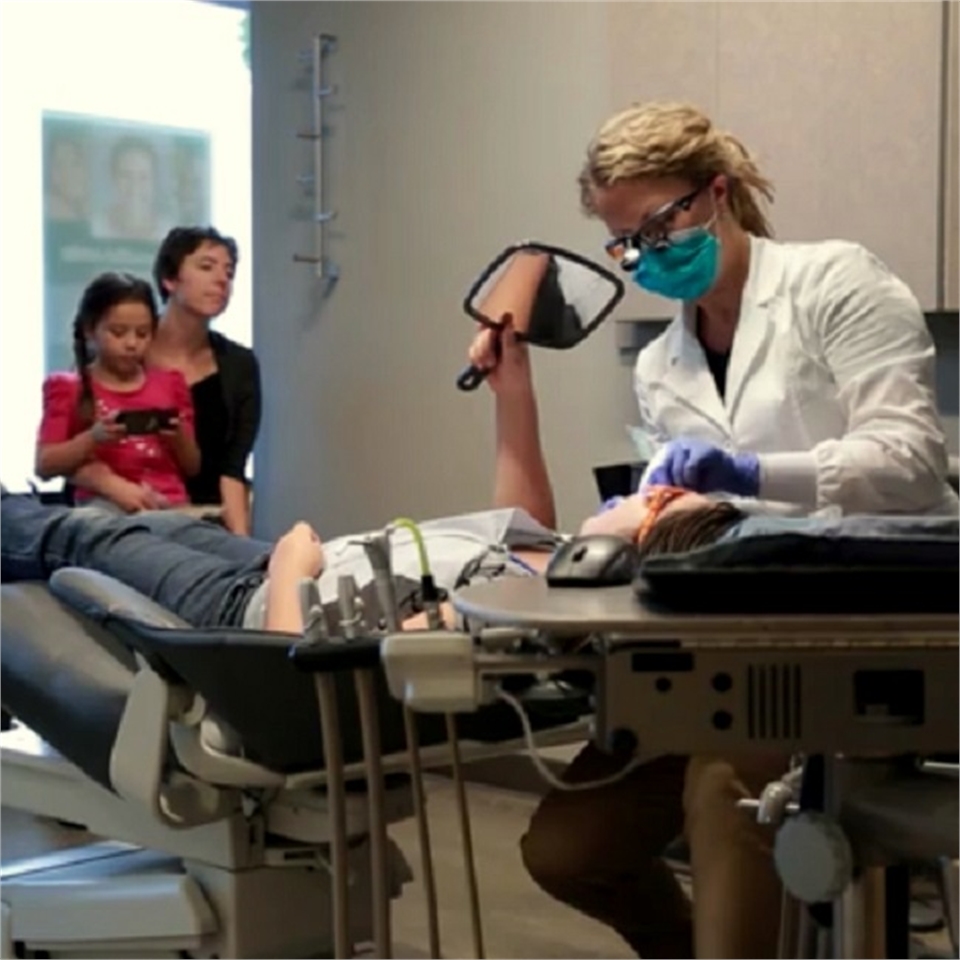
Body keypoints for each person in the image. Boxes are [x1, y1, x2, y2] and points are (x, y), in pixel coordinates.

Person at [582, 100, 957, 518]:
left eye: (659, 224)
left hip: (901, 569)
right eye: (628, 242)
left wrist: (750, 473)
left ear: (717, 193)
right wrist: (652, 512)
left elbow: (911, 462)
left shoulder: (838, 282)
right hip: (763, 573)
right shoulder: (657, 368)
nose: (649, 251)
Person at [34, 272, 200, 514]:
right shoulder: (70, 388)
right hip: (105, 505)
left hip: (170, 503)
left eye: (142, 334)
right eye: (118, 332)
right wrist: (94, 437)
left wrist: (177, 436)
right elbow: (45, 464)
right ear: (91, 330)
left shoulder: (170, 384)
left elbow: (192, 465)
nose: (132, 343)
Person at [148, 226, 262, 535]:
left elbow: (232, 470)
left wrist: (244, 550)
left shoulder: (239, 364)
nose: (222, 280)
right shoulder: (126, 350)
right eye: (206, 267)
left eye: (229, 271)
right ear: (170, 279)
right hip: (130, 513)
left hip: (205, 521)